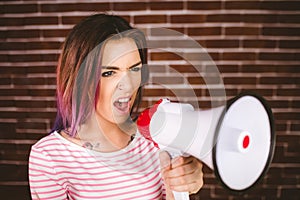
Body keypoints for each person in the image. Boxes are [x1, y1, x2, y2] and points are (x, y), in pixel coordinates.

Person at [28, 13, 203, 200]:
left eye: (134, 69)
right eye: (109, 72)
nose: (127, 85)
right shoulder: (49, 157)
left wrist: (181, 188)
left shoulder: (158, 138)